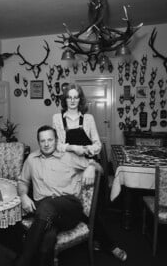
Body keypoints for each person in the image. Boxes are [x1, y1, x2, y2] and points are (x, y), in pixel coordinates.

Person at [52, 83, 128, 261]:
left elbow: (97, 145)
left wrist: (88, 159)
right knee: (75, 205)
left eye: (75, 97)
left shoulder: (88, 119)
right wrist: (76, 148)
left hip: (88, 165)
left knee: (94, 208)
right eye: (69, 97)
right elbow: (58, 145)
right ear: (65, 100)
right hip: (68, 167)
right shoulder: (57, 118)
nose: (72, 100)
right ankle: (103, 241)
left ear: (80, 99)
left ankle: (101, 240)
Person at [16, 125, 100, 266]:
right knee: (47, 239)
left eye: (50, 139)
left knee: (46, 206)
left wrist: (91, 166)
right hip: (46, 214)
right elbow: (23, 182)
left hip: (69, 208)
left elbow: (99, 167)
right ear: (38, 142)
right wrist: (23, 195)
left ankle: (23, 261)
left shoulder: (68, 157)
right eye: (43, 141)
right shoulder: (31, 159)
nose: (47, 144)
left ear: (56, 140)